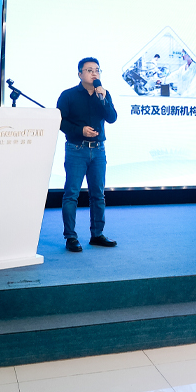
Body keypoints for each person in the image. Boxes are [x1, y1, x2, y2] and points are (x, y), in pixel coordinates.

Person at [56, 57, 118, 252]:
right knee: (71, 194)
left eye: (97, 70)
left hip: (98, 151)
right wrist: (79, 130)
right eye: (89, 70)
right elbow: (59, 121)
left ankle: (97, 235)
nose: (94, 73)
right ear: (80, 74)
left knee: (98, 195)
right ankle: (70, 237)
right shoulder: (68, 95)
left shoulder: (103, 94)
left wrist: (103, 98)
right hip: (76, 149)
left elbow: (112, 118)